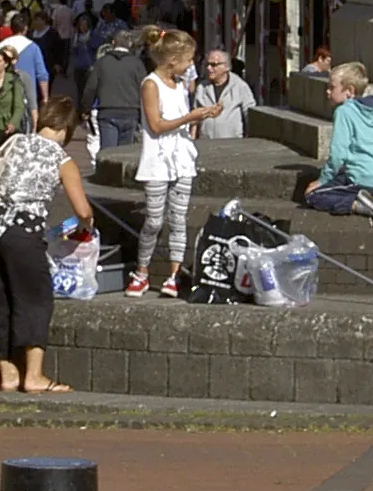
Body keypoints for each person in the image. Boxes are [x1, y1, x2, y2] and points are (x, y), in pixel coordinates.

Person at [0, 96, 92, 395]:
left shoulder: (14, 142)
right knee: (35, 299)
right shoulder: (62, 160)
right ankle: (34, 376)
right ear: (66, 129)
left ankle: (8, 372)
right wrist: (86, 227)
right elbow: (83, 211)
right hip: (22, 234)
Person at [128, 31, 206, 299]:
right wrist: (190, 117)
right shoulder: (151, 84)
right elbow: (157, 125)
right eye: (188, 60)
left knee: (179, 219)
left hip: (181, 158)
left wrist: (202, 115)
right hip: (157, 160)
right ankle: (142, 271)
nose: (191, 65)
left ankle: (174, 275)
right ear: (173, 60)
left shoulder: (180, 84)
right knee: (153, 219)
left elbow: (181, 119)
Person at [302, 63, 373, 221]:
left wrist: (322, 181)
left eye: (332, 87)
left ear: (350, 91)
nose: (327, 91)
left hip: (363, 179)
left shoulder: (344, 111)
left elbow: (338, 154)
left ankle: (359, 205)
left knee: (313, 195)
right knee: (344, 175)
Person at [80, 25, 148, 150]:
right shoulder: (137, 63)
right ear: (130, 45)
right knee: (125, 153)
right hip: (131, 112)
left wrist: (86, 109)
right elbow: (144, 88)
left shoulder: (102, 62)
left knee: (107, 152)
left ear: (112, 43)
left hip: (107, 111)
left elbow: (91, 88)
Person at [192, 49, 256, 141]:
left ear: (226, 67)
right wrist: (193, 139)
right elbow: (195, 116)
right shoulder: (202, 87)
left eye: (214, 65)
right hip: (206, 143)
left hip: (232, 143)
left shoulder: (240, 86)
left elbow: (249, 114)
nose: (209, 68)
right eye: (207, 64)